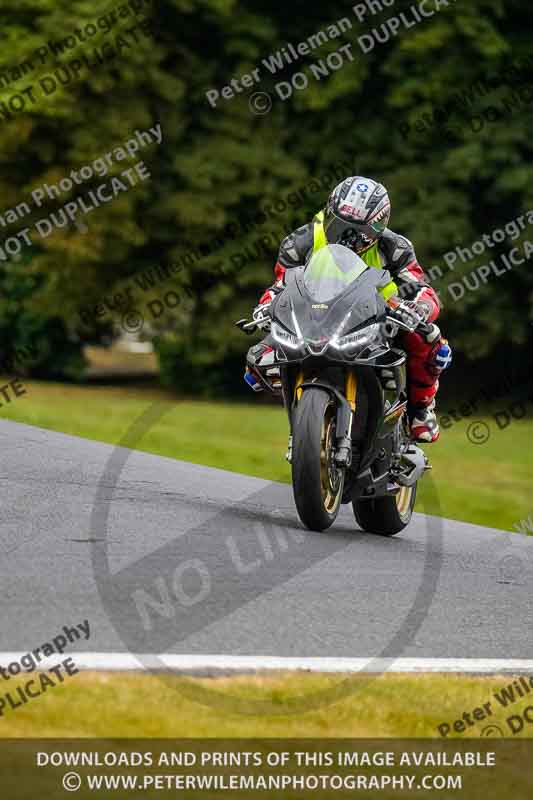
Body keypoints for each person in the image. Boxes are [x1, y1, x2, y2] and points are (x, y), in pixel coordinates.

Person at [245, 176, 452, 443]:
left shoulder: (395, 247)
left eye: (357, 231)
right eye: (338, 223)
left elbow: (421, 287)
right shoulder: (299, 241)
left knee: (431, 340)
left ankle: (421, 410)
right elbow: (280, 284)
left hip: (377, 316)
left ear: (377, 228)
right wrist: (265, 305)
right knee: (257, 359)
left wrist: (420, 308)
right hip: (313, 313)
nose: (345, 236)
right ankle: (298, 416)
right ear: (329, 211)